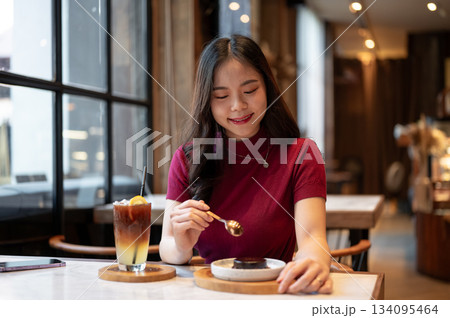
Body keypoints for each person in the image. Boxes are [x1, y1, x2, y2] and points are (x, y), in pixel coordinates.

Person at [159, 34, 332, 294]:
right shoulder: (187, 158)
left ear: (268, 88)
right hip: (207, 295)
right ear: (207, 100)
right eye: (221, 96)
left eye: (250, 91)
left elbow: (312, 239)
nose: (238, 106)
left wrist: (314, 261)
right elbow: (168, 247)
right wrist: (182, 245)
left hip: (275, 292)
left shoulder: (302, 154)